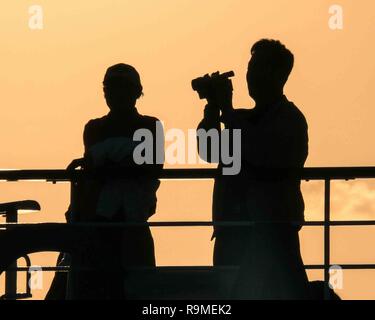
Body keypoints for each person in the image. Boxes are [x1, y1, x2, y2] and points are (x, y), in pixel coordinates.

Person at [196, 39, 310, 299]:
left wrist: (227, 109)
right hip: (232, 229)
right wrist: (212, 110)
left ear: (277, 75)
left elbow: (261, 152)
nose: (249, 76)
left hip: (271, 231)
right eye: (249, 68)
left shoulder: (290, 119)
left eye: (256, 68)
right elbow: (209, 151)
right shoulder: (243, 118)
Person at [47, 63, 164, 299]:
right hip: (98, 221)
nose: (115, 93)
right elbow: (104, 166)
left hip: (129, 220)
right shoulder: (95, 127)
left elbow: (151, 165)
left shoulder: (150, 125)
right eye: (110, 87)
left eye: (121, 87)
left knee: (138, 287)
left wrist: (107, 161)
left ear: (136, 91)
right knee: (91, 284)